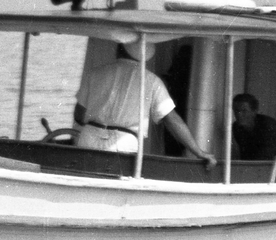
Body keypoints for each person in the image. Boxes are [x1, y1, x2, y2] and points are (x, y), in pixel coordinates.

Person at [74, 39, 216, 169]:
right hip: (123, 145)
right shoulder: (152, 81)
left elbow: (79, 115)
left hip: (89, 140)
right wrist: (198, 152)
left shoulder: (94, 73)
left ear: (119, 48)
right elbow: (172, 120)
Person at [231, 93, 276, 160]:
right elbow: (245, 154)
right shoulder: (236, 127)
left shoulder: (267, 126)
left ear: (254, 111)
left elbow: (265, 156)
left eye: (244, 111)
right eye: (236, 110)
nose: (239, 114)